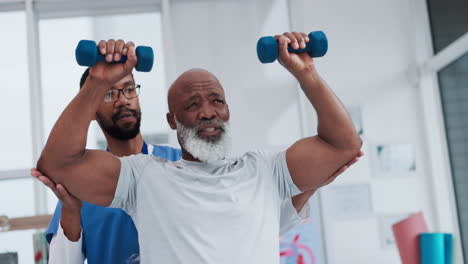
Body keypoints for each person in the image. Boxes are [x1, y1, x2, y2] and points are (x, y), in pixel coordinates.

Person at [36, 32, 362, 263]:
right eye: (193, 104)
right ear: (172, 120)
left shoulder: (265, 170)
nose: (208, 112)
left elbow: (342, 145)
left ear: (228, 110)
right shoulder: (144, 177)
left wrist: (306, 73)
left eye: (216, 101)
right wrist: (97, 82)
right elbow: (60, 164)